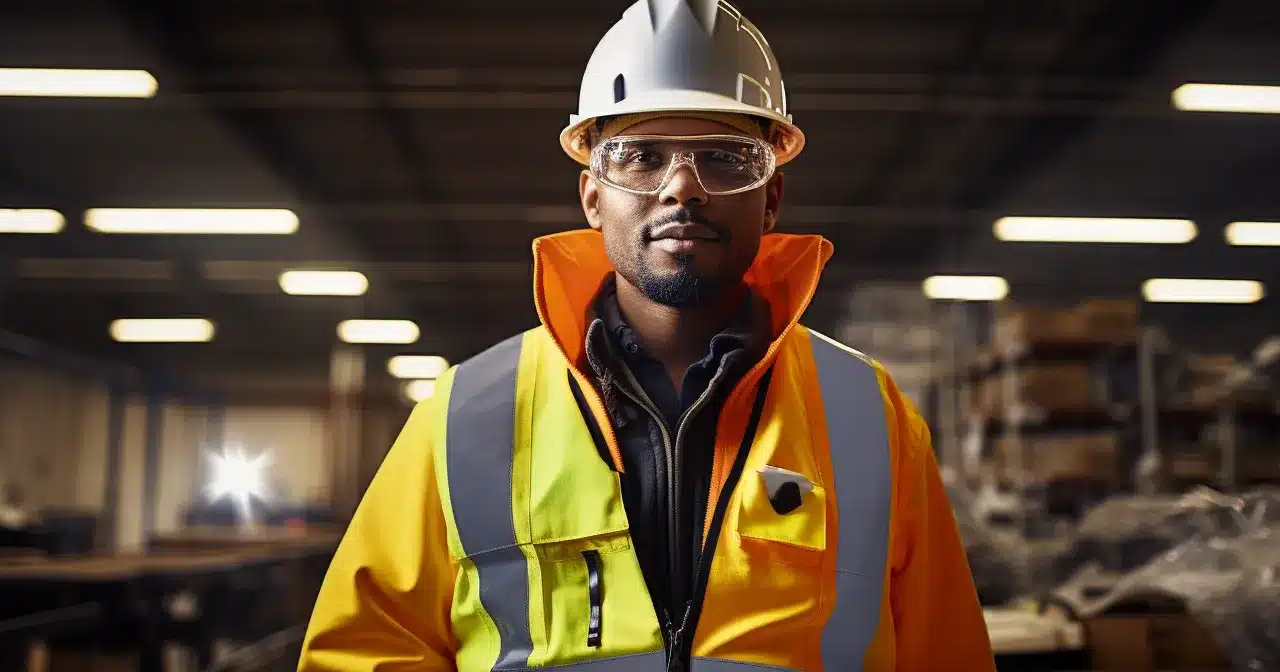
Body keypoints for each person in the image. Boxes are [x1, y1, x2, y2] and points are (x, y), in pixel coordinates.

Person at [298, 1, 994, 670]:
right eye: (641, 155)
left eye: (725, 158)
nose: (681, 188)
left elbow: (946, 656)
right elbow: (366, 655)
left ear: (772, 198)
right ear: (593, 196)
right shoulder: (460, 419)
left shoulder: (870, 418)